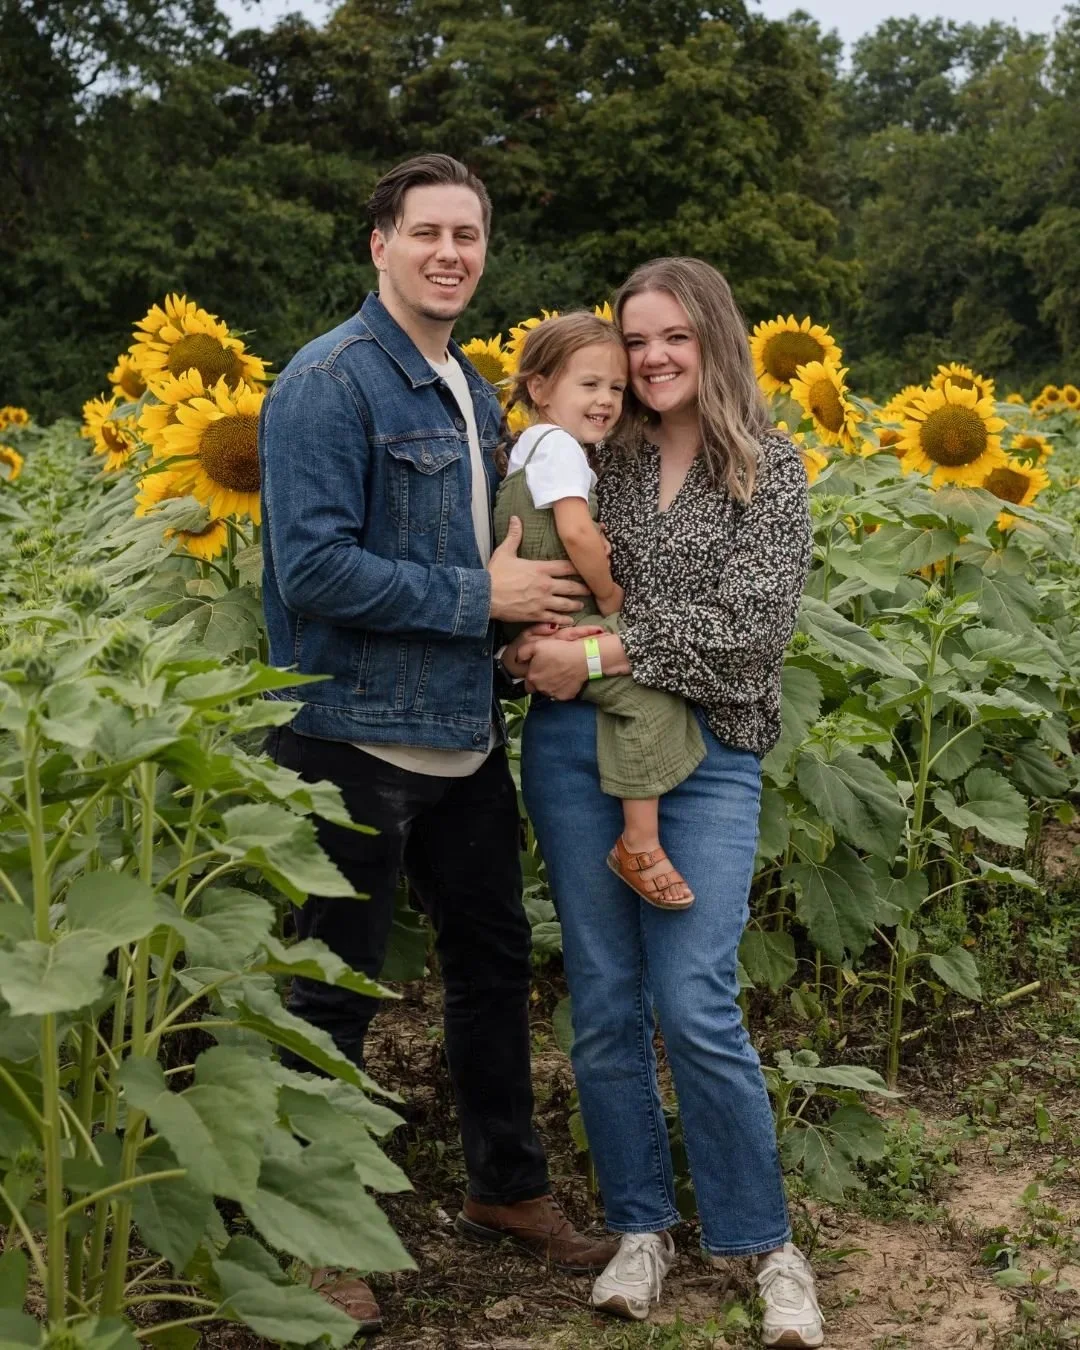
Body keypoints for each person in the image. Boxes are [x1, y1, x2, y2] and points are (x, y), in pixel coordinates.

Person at [257, 153, 616, 1334]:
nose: (451, 253)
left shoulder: (470, 382)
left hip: (462, 733)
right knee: (333, 995)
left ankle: (504, 1188)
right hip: (352, 733)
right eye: (428, 233)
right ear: (380, 244)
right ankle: (316, 1240)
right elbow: (311, 570)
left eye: (469, 234)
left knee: (491, 970)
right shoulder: (328, 382)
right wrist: (484, 600)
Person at [511, 257, 825, 1348]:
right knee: (602, 1004)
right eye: (636, 341)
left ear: (716, 340)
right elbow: (539, 567)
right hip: (573, 746)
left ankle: (760, 1243)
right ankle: (642, 1228)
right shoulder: (601, 456)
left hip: (712, 757)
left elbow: (750, 639)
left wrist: (603, 643)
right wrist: (534, 645)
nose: (648, 360)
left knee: (695, 1001)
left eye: (671, 338)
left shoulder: (769, 469)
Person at [492, 311, 705, 909]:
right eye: (589, 385)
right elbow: (578, 535)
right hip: (575, 609)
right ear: (539, 388)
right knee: (649, 695)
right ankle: (640, 841)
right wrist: (612, 598)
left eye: (615, 387)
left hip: (534, 620)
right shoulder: (562, 449)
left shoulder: (524, 449)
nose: (607, 400)